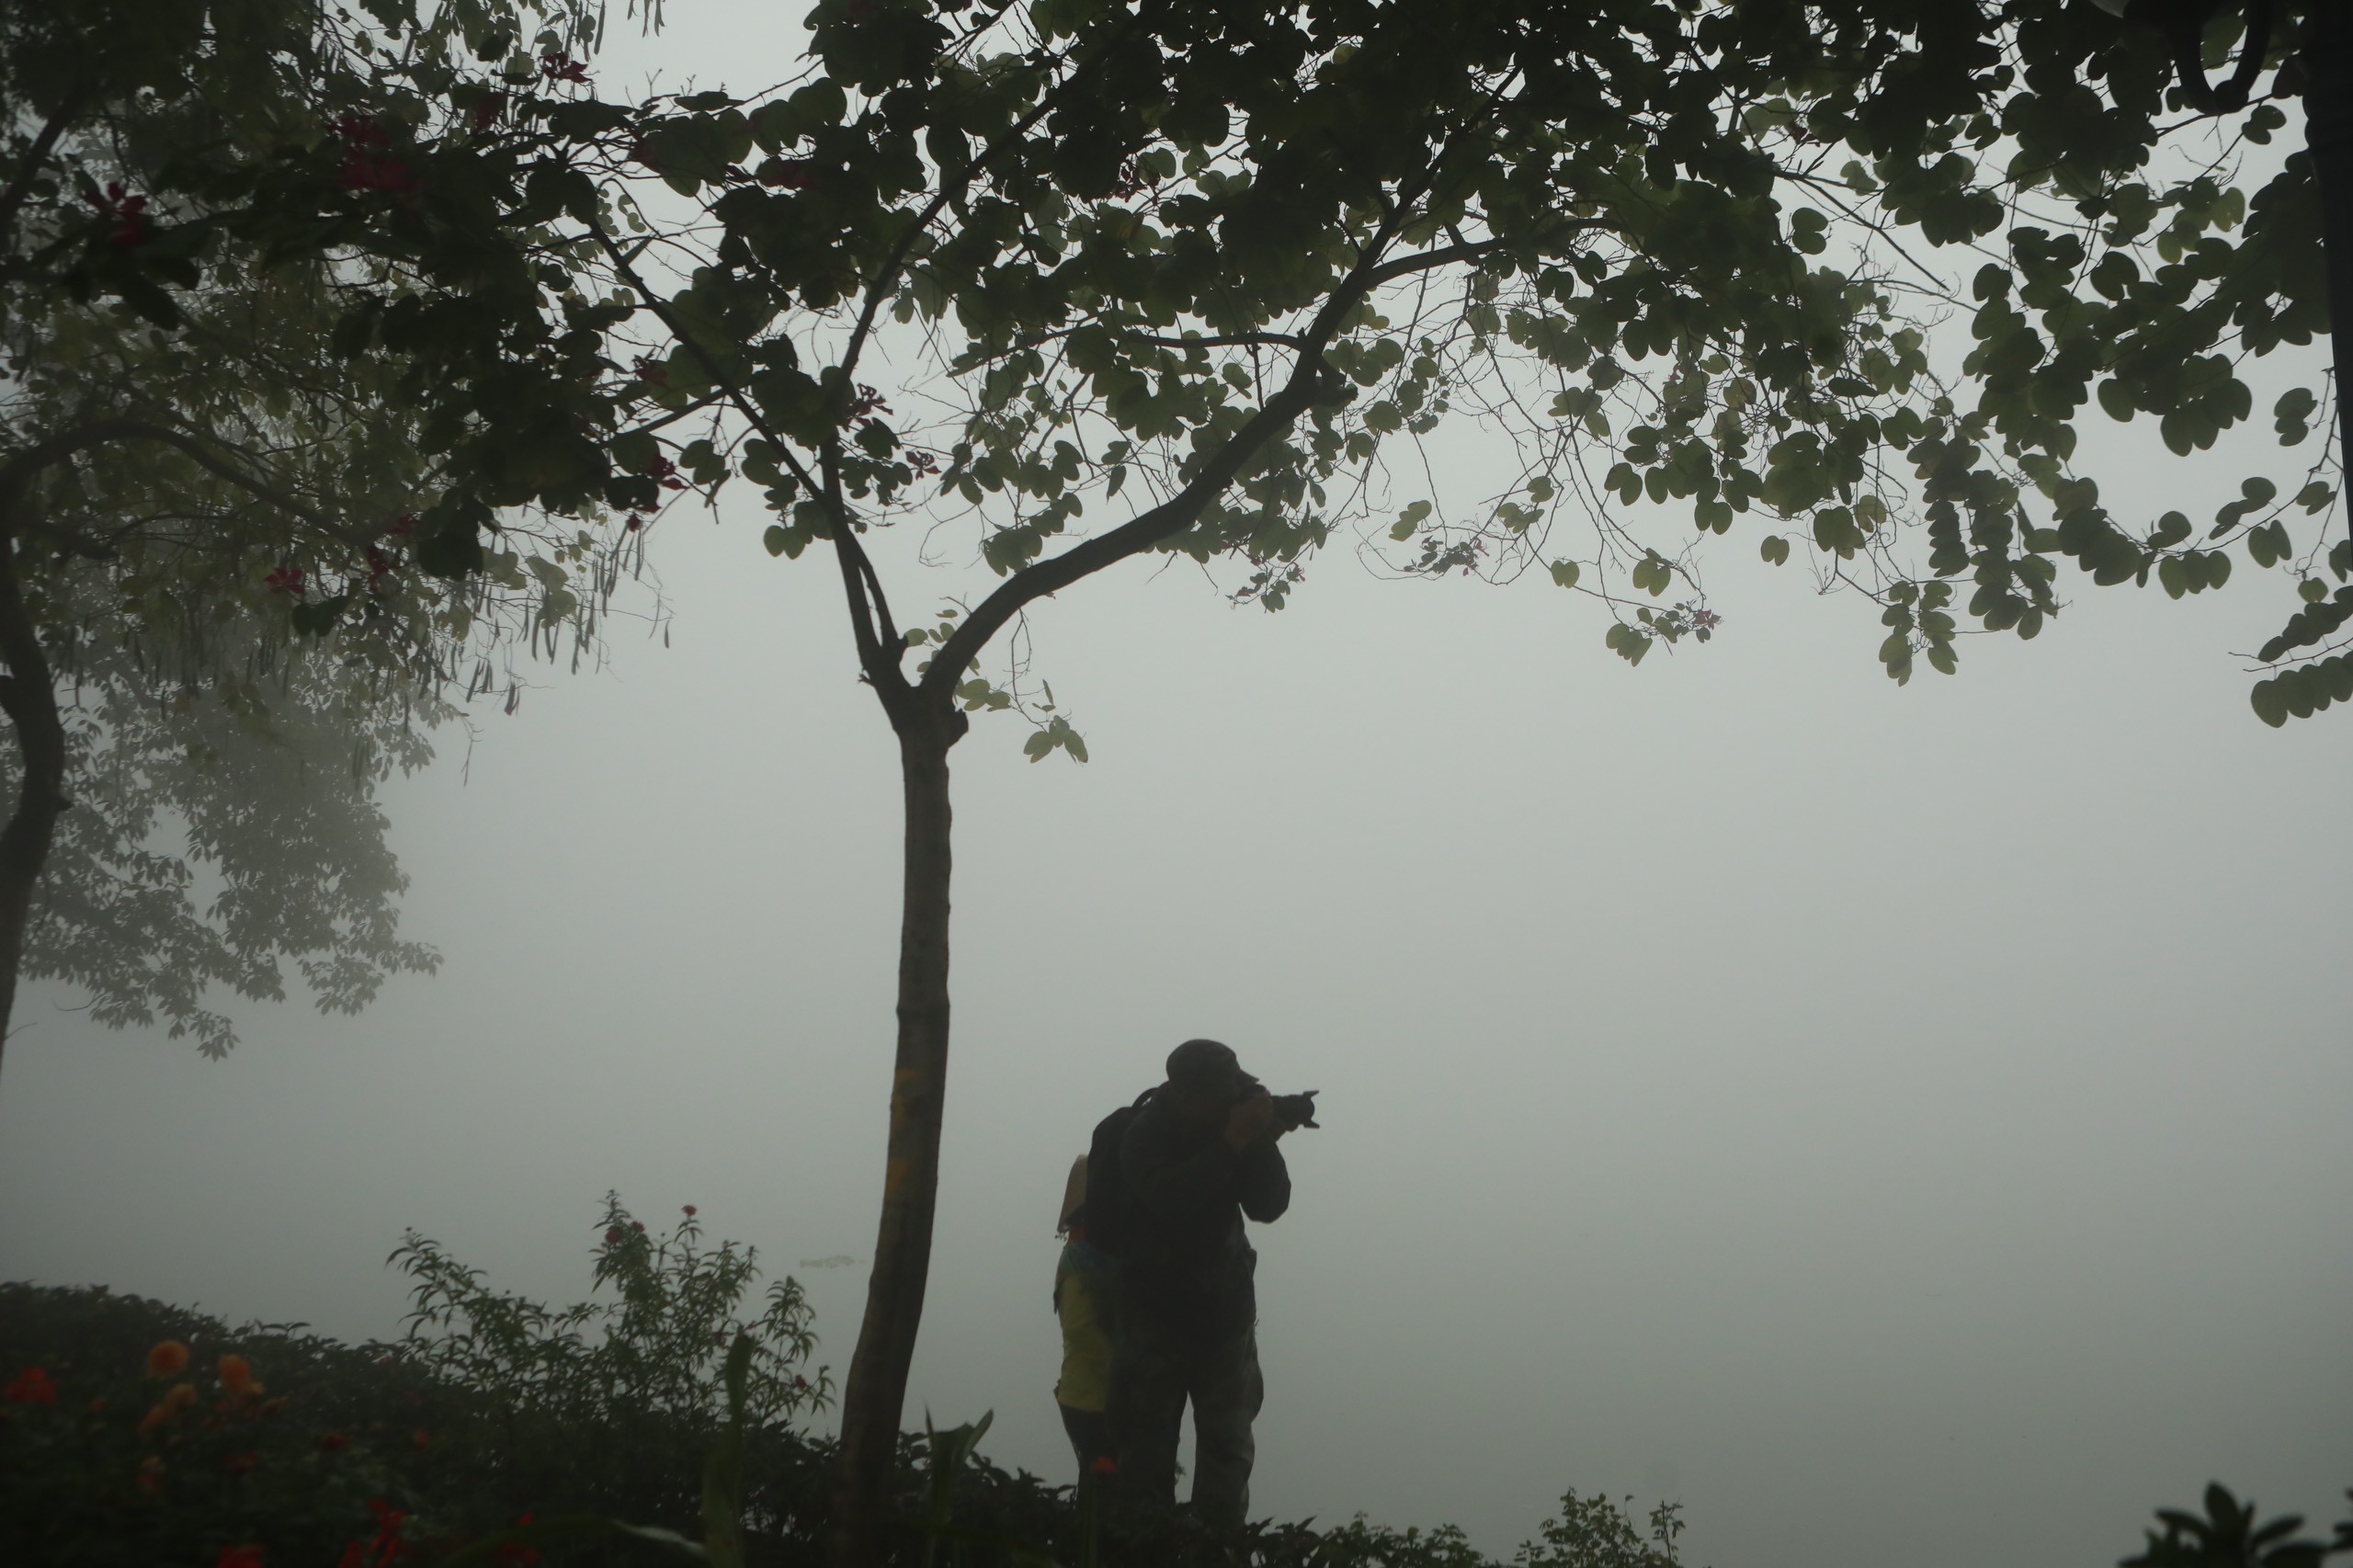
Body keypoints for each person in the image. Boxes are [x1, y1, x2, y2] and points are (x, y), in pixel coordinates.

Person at [1108, 1038, 1297, 1532]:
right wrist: (1231, 1142)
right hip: (1152, 1321)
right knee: (1144, 1462)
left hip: (1223, 1319)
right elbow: (1169, 1200)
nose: (1219, 1105)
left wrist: (1260, 1138)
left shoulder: (1235, 1124)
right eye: (1211, 1097)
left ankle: (1219, 1549)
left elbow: (1269, 1205)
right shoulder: (1144, 1133)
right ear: (1181, 1094)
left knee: (1227, 1458)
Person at [1051, 1153, 1119, 1481]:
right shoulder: (1080, 1260)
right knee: (1104, 1494)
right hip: (1090, 1403)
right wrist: (1129, 1367)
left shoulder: (1097, 1256)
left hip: (1097, 1398)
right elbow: (1080, 1330)